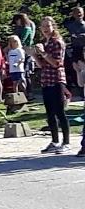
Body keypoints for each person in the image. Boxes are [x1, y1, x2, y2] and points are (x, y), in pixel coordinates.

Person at [33, 17, 70, 154]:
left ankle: (66, 142)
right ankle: (55, 141)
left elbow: (56, 63)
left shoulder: (57, 42)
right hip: (46, 80)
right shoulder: (45, 43)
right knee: (50, 114)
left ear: (53, 26)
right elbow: (42, 65)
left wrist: (43, 53)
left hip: (57, 80)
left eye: (48, 26)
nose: (46, 29)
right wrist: (34, 55)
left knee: (60, 112)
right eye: (43, 27)